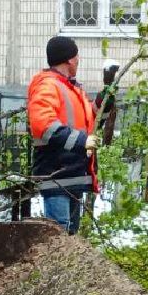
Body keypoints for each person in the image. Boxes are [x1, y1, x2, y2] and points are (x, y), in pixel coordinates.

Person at [26, 36, 96, 234]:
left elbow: (85, 118)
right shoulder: (48, 85)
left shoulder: (69, 87)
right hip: (56, 173)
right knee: (59, 235)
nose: (78, 60)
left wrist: (100, 105)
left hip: (71, 173)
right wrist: (83, 142)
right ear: (69, 60)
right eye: (76, 56)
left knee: (68, 235)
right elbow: (44, 126)